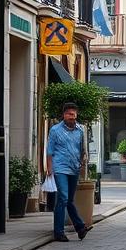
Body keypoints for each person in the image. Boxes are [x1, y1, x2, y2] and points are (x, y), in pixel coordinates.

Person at [45, 102, 91, 242]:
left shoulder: (80, 130)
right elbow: (50, 150)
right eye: (70, 114)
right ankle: (58, 232)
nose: (73, 116)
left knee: (69, 200)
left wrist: (82, 162)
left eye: (74, 114)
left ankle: (80, 227)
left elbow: (82, 149)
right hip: (60, 168)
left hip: (74, 168)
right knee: (63, 197)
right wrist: (49, 168)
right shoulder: (55, 130)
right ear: (64, 115)